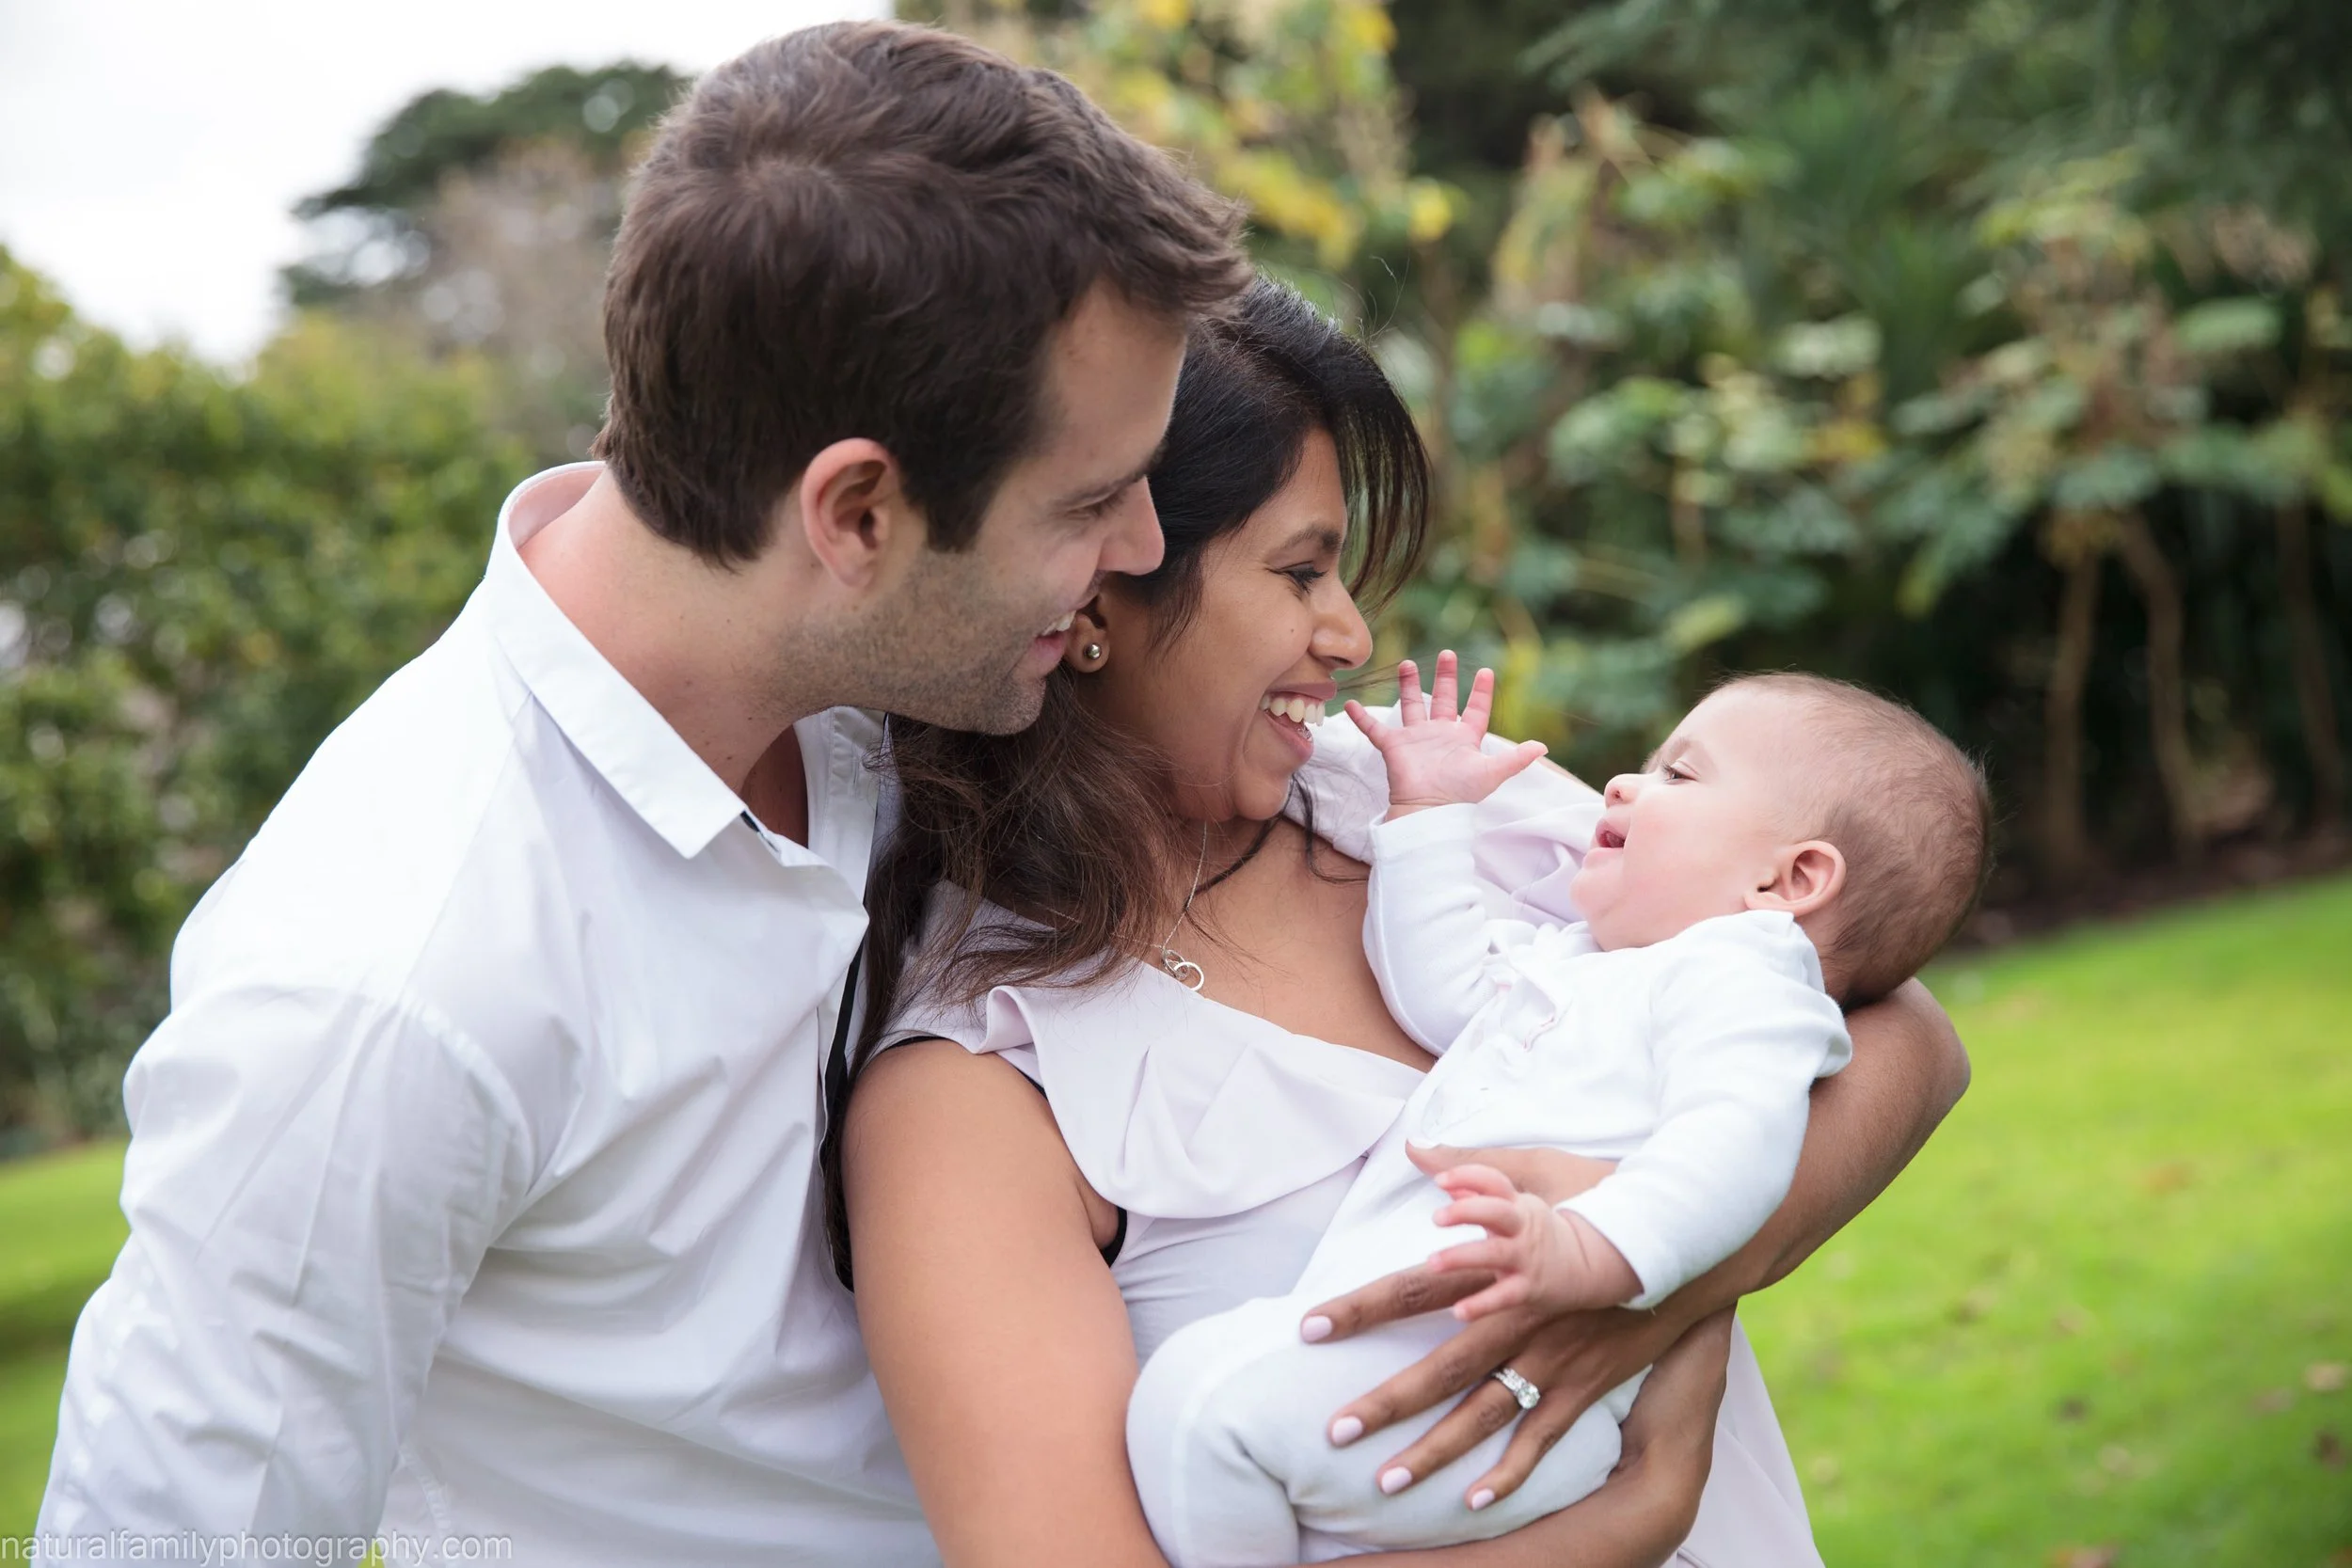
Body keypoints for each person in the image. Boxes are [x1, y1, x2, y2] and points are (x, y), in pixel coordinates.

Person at [38, 22, 1250, 1565]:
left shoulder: (901, 699)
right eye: (1089, 500)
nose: (1144, 549)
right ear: (858, 512)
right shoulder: (392, 988)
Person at [841, 278, 1974, 1568]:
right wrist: (1632, 1516)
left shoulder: (1423, 804)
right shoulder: (977, 1086)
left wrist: (1653, 1259)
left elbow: (1901, 1021)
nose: (1352, 631)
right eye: (1301, 569)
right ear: (1092, 590)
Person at [1125, 664, 1992, 1565]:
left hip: (1508, 1387)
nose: (1622, 781)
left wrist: (1593, 1248)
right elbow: (1440, 989)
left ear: (1792, 879)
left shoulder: (1746, 976)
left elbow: (1736, 1141)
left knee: (1199, 1414)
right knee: (1207, 1415)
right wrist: (1426, 814)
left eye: (1680, 776)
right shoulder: (1585, 962)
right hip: (1431, 1369)